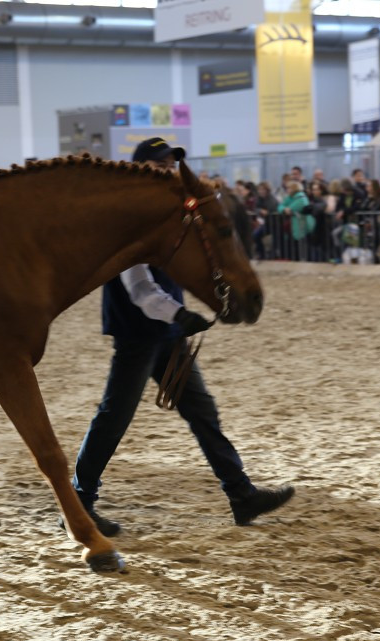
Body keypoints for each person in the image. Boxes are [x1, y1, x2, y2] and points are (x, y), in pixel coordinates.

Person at [68, 137, 295, 537]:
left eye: (171, 166)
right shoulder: (128, 220)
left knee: (202, 413)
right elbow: (139, 288)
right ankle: (78, 503)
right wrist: (180, 314)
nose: (169, 172)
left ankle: (241, 494)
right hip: (139, 332)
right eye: (160, 166)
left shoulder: (168, 215)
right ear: (142, 169)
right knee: (113, 418)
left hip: (168, 332)